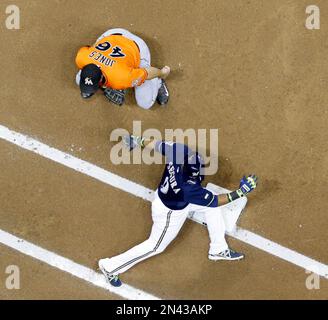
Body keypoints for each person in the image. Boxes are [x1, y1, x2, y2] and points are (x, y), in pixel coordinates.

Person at [98, 136, 259, 287]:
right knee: (155, 246)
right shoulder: (189, 190)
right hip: (170, 213)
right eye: (197, 173)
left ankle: (218, 249)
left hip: (168, 197)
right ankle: (110, 267)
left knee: (211, 205)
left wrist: (138, 140)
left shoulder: (178, 151)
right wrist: (241, 192)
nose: (200, 173)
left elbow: (156, 144)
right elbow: (217, 201)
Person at [75, 28, 170, 108]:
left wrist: (162, 73)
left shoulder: (122, 78)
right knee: (78, 80)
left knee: (145, 103)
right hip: (110, 35)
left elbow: (147, 73)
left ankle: (157, 82)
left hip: (136, 47)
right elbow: (89, 48)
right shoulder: (82, 57)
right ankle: (105, 84)